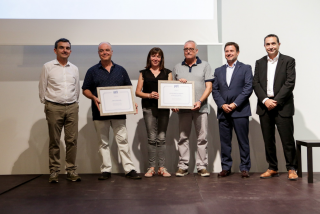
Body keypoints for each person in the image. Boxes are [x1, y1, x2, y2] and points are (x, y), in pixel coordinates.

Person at [82, 42, 141, 180]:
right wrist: (94, 97)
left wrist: (132, 104)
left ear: (112, 52)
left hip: (119, 113)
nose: (104, 52)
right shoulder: (92, 71)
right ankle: (106, 170)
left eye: (107, 50)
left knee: (123, 141)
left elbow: (128, 89)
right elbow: (85, 89)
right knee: (103, 142)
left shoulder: (121, 70)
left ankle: (129, 169)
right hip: (99, 112)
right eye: (101, 50)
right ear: (98, 53)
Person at [253, 34, 298, 180]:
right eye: (267, 44)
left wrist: (275, 101)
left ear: (279, 44)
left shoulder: (289, 61)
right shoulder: (259, 62)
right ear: (264, 46)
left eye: (273, 43)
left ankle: (292, 168)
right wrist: (266, 100)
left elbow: (290, 83)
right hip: (265, 106)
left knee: (287, 139)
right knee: (268, 139)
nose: (270, 46)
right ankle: (272, 168)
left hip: (282, 106)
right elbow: (256, 84)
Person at [39, 38, 81, 183]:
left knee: (72, 140)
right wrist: (48, 104)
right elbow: (42, 87)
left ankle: (71, 171)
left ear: (70, 50)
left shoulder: (74, 68)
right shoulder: (48, 67)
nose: (65, 50)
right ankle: (54, 172)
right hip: (53, 107)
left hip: (72, 106)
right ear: (55, 50)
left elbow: (77, 90)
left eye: (67, 48)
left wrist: (74, 103)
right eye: (61, 47)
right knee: (54, 141)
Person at [173, 40, 214, 177]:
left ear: (196, 51)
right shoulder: (177, 67)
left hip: (201, 108)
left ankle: (202, 166)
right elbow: (173, 89)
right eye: (186, 49)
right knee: (183, 138)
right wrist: (175, 101)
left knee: (202, 138)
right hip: (183, 110)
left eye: (191, 49)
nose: (188, 51)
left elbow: (209, 87)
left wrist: (200, 101)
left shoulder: (205, 65)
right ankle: (183, 166)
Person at [212, 42, 253, 178]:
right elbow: (215, 90)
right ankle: (226, 167)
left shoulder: (246, 68)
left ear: (237, 52)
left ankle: (245, 167)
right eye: (226, 51)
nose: (229, 53)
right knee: (225, 142)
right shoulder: (218, 70)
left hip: (240, 110)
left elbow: (248, 88)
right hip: (223, 111)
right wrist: (222, 104)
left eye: (232, 51)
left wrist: (235, 104)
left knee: (243, 141)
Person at [135, 47, 172, 178]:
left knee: (161, 138)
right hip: (148, 108)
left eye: (158, 56)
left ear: (161, 59)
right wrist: (149, 95)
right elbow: (138, 92)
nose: (155, 58)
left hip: (163, 109)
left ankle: (162, 167)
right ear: (149, 58)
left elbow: (171, 91)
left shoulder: (168, 73)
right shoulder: (143, 73)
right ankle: (151, 168)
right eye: (153, 56)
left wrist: (182, 82)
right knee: (151, 138)